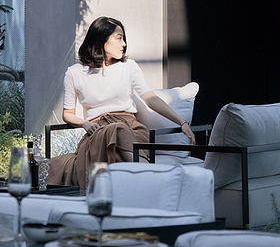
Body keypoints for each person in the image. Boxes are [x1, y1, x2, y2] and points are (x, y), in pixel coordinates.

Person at [47, 16, 196, 187]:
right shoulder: (74, 73)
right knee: (113, 131)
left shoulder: (129, 67)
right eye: (119, 38)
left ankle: (144, 181)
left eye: (123, 38)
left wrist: (182, 122)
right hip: (96, 132)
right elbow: (67, 114)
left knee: (119, 130)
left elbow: (151, 99)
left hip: (131, 130)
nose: (124, 43)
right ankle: (149, 184)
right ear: (101, 39)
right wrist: (84, 124)